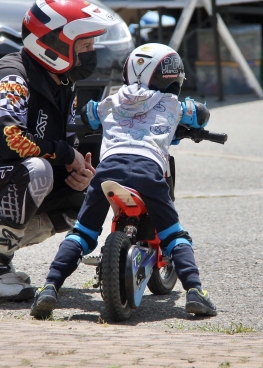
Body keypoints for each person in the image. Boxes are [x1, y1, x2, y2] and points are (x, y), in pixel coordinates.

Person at [0, 0, 119, 301]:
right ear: (54, 44)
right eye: (85, 46)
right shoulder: (10, 77)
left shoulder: (63, 85)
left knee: (81, 196)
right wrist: (66, 155)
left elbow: (64, 148)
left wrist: (79, 173)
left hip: (1, 181)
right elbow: (11, 141)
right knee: (36, 171)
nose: (92, 53)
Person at [30, 43, 218, 318]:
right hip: (148, 171)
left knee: (83, 232)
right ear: (171, 77)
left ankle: (49, 287)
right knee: (174, 235)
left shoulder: (112, 101)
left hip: (108, 170)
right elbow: (200, 114)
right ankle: (195, 292)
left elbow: (89, 114)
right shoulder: (173, 104)